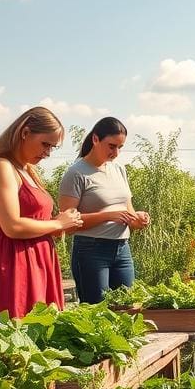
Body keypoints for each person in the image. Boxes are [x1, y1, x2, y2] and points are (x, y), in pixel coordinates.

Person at [0, 107, 82, 318]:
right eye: (45, 144)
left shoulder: (25, 169)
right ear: (25, 133)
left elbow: (35, 220)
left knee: (42, 335)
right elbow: (12, 226)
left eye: (52, 147)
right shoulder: (1, 167)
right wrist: (58, 224)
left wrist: (65, 222)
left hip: (39, 260)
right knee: (17, 334)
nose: (47, 153)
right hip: (15, 263)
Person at [59, 117, 150, 304]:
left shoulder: (119, 169)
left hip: (122, 248)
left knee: (126, 307)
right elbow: (67, 224)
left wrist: (138, 219)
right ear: (95, 139)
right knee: (97, 311)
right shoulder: (76, 173)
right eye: (111, 146)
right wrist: (107, 216)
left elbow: (128, 213)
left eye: (120, 147)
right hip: (91, 250)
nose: (115, 152)